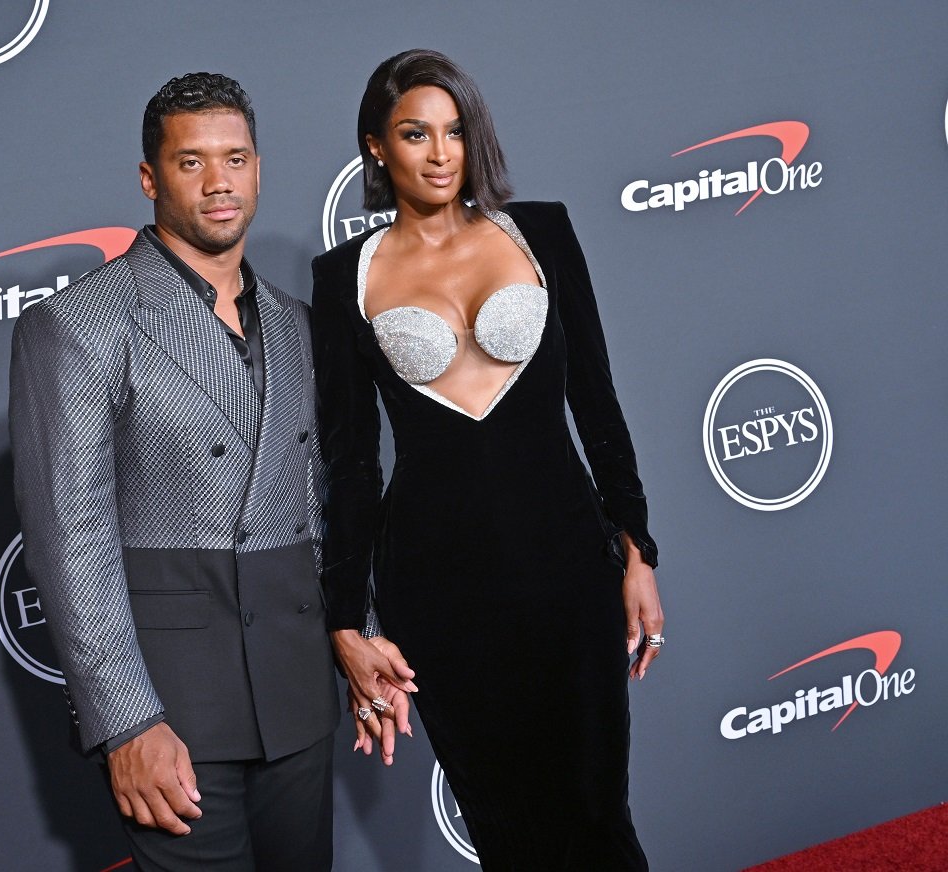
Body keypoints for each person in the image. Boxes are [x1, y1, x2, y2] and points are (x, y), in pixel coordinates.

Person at [311, 49, 665, 870]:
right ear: (376, 147)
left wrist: (638, 550)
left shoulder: (540, 231)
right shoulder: (343, 279)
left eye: (455, 131)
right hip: (438, 585)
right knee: (506, 828)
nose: (440, 153)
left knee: (598, 813)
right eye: (414, 134)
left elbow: (599, 406)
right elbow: (352, 464)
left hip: (568, 565)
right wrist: (344, 619)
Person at [9, 72, 340, 871]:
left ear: (259, 167)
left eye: (236, 158)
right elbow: (69, 534)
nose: (219, 182)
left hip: (298, 694)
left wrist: (350, 639)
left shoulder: (298, 325)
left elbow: (316, 509)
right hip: (173, 709)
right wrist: (125, 721)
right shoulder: (81, 323)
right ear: (150, 178)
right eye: (191, 163)